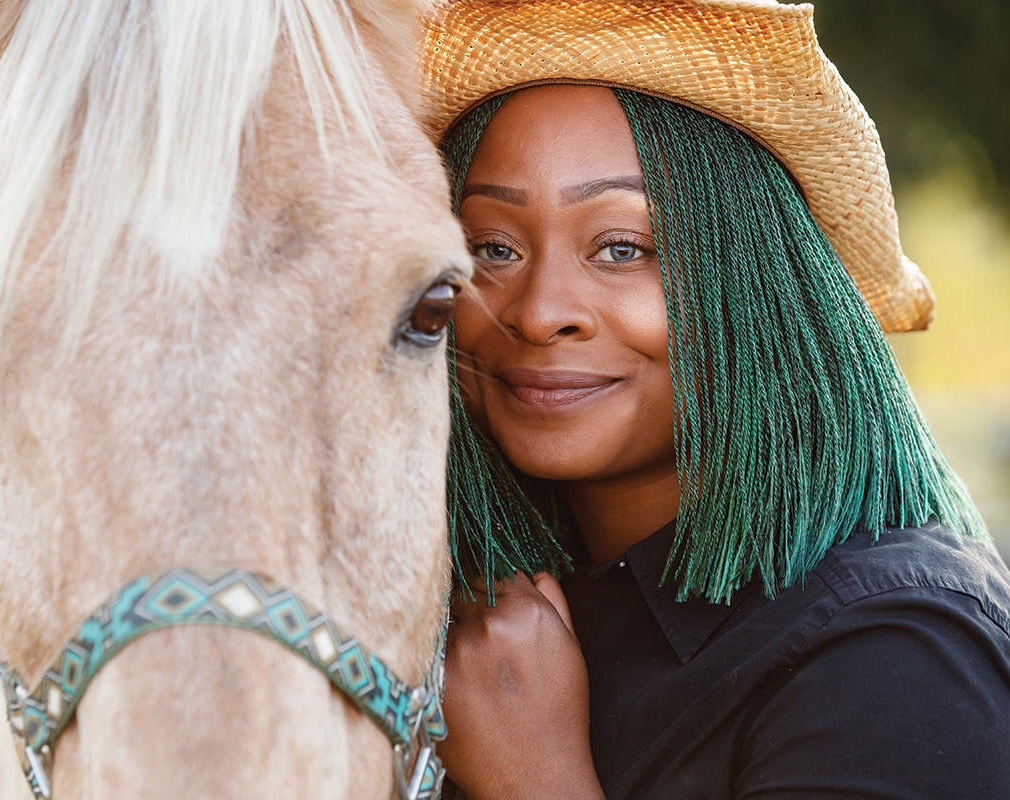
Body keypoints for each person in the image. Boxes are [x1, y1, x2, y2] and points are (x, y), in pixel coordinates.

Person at [419, 2, 1010, 799]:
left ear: (757, 283)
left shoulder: (893, 649)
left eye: (622, 248)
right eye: (493, 248)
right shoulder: (463, 611)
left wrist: (535, 779)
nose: (537, 308)